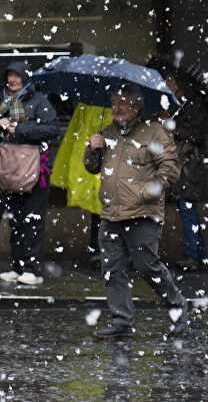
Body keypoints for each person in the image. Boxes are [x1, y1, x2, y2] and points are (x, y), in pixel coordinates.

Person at [84, 84, 188, 338]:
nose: (116, 108)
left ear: (137, 105)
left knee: (148, 267)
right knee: (112, 269)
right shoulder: (107, 132)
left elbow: (170, 168)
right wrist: (92, 148)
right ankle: (122, 321)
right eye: (113, 103)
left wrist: (146, 192)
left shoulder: (154, 131)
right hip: (111, 214)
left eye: (122, 103)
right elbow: (92, 167)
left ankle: (177, 308)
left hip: (142, 214)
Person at [0, 61, 60, 285]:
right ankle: (18, 266)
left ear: (25, 77)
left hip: (35, 169)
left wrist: (20, 129)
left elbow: (52, 129)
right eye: (9, 75)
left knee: (33, 218)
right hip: (11, 168)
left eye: (17, 76)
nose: (12, 80)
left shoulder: (39, 100)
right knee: (15, 219)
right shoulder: (1, 100)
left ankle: (32, 269)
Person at [147, 55, 208, 271]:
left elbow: (196, 134)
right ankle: (198, 255)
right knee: (186, 209)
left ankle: (194, 255)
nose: (168, 84)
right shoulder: (182, 105)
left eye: (171, 80)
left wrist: (172, 126)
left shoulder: (197, 105)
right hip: (184, 167)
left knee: (187, 208)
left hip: (191, 168)